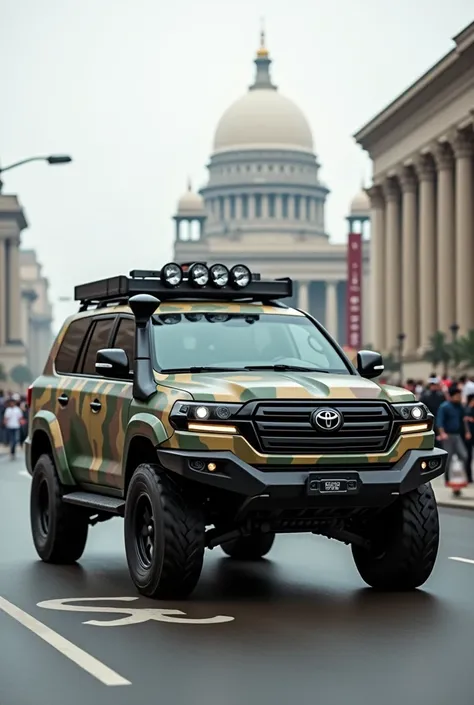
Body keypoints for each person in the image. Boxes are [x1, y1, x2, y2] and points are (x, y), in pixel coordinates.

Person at [436, 384, 471, 491]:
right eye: (457, 395)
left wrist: (467, 431)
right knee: (448, 459)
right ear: (452, 396)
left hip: (457, 435)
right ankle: (447, 479)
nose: (459, 397)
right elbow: (440, 422)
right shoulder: (444, 407)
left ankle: (461, 476)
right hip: (448, 436)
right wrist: (442, 433)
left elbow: (463, 420)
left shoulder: (460, 407)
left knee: (464, 455)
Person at [420, 376, 445, 448]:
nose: (433, 386)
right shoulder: (425, 395)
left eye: (435, 384)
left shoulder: (441, 395)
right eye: (432, 385)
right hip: (430, 419)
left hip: (439, 418)